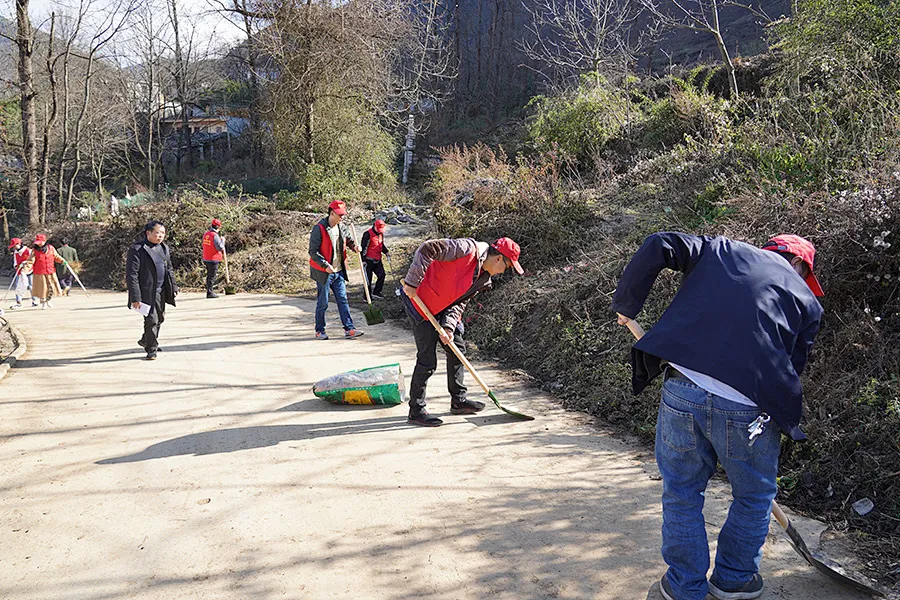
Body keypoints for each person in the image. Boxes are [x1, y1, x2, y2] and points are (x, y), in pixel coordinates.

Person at [611, 232, 825, 600]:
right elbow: (792, 366)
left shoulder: (719, 249)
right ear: (802, 266)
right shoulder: (807, 301)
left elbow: (660, 243)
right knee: (754, 496)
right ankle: (734, 579)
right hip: (749, 409)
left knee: (681, 490)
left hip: (683, 387)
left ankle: (684, 586)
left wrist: (627, 304)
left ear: (768, 250)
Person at [400, 237, 524, 426]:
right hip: (418, 301)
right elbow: (427, 249)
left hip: (443, 306)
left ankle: (458, 400)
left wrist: (448, 327)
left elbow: (459, 302)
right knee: (427, 360)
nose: (502, 272)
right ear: (499, 258)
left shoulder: (483, 278)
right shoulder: (465, 249)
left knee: (457, 348)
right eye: (506, 267)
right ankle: (416, 410)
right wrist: (412, 282)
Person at [309, 200, 365, 340]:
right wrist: (325, 265)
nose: (341, 217)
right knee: (323, 302)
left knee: (343, 300)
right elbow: (313, 252)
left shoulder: (342, 227)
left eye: (343, 215)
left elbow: (349, 240)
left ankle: (349, 329)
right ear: (331, 213)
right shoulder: (319, 228)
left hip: (338, 271)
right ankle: (319, 330)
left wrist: (355, 248)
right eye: (339, 215)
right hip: (324, 272)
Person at [126, 220, 178, 360]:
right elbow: (132, 274)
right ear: (148, 233)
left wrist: (173, 286)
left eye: (163, 233)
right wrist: (135, 297)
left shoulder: (164, 248)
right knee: (151, 320)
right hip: (146, 292)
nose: (160, 236)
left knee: (160, 318)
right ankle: (151, 348)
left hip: (162, 290)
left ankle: (146, 340)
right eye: (157, 233)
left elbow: (169, 269)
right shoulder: (137, 249)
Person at [21, 234, 66, 309]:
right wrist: (25, 269)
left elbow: (56, 256)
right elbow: (30, 261)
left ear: (44, 241)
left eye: (40, 242)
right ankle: (43, 303)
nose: (39, 244)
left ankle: (48, 301)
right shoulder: (34, 250)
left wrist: (62, 261)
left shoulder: (51, 248)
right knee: (42, 288)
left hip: (50, 271)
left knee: (51, 287)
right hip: (39, 272)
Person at [360, 219, 390, 299]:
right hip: (368, 260)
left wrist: (386, 252)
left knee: (382, 275)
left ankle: (377, 292)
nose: (380, 231)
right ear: (374, 226)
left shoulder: (381, 234)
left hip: (378, 259)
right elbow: (364, 248)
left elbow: (381, 244)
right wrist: (363, 260)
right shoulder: (367, 234)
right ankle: (367, 296)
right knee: (368, 279)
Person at [7, 238, 35, 309]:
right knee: (17, 286)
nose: (14, 247)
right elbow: (15, 262)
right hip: (20, 271)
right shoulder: (16, 252)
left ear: (19, 244)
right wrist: (17, 266)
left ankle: (34, 300)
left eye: (15, 245)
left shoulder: (28, 251)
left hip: (29, 271)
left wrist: (26, 264)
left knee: (31, 286)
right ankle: (18, 302)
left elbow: (32, 260)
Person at [202, 218, 225, 298]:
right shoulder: (215, 236)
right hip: (213, 258)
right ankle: (210, 292)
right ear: (218, 227)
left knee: (209, 275)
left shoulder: (206, 234)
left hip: (206, 258)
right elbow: (220, 247)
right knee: (212, 276)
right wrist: (223, 241)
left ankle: (209, 290)